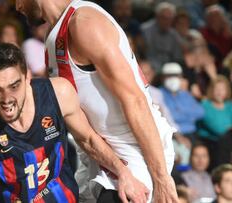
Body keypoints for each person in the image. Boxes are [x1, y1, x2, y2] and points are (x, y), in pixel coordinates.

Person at [0, 41, 149, 203]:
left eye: (14, 86)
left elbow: (88, 140)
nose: (7, 99)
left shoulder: (58, 93)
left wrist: (124, 173)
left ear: (27, 78)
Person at [16, 0, 177, 202]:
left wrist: (161, 178)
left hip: (135, 153)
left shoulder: (85, 22)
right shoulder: (54, 35)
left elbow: (135, 100)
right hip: (100, 156)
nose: (17, 7)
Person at [160, 63, 204, 141]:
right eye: (169, 76)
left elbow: (200, 112)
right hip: (172, 135)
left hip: (192, 133)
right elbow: (168, 117)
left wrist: (179, 111)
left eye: (176, 75)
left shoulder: (185, 94)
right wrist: (188, 115)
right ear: (163, 78)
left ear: (181, 77)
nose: (173, 78)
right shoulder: (158, 94)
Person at [141, 2, 184, 72]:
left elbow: (177, 57)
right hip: (150, 67)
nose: (166, 21)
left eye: (169, 18)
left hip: (168, 69)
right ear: (157, 16)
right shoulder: (145, 30)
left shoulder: (174, 35)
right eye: (164, 18)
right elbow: (144, 53)